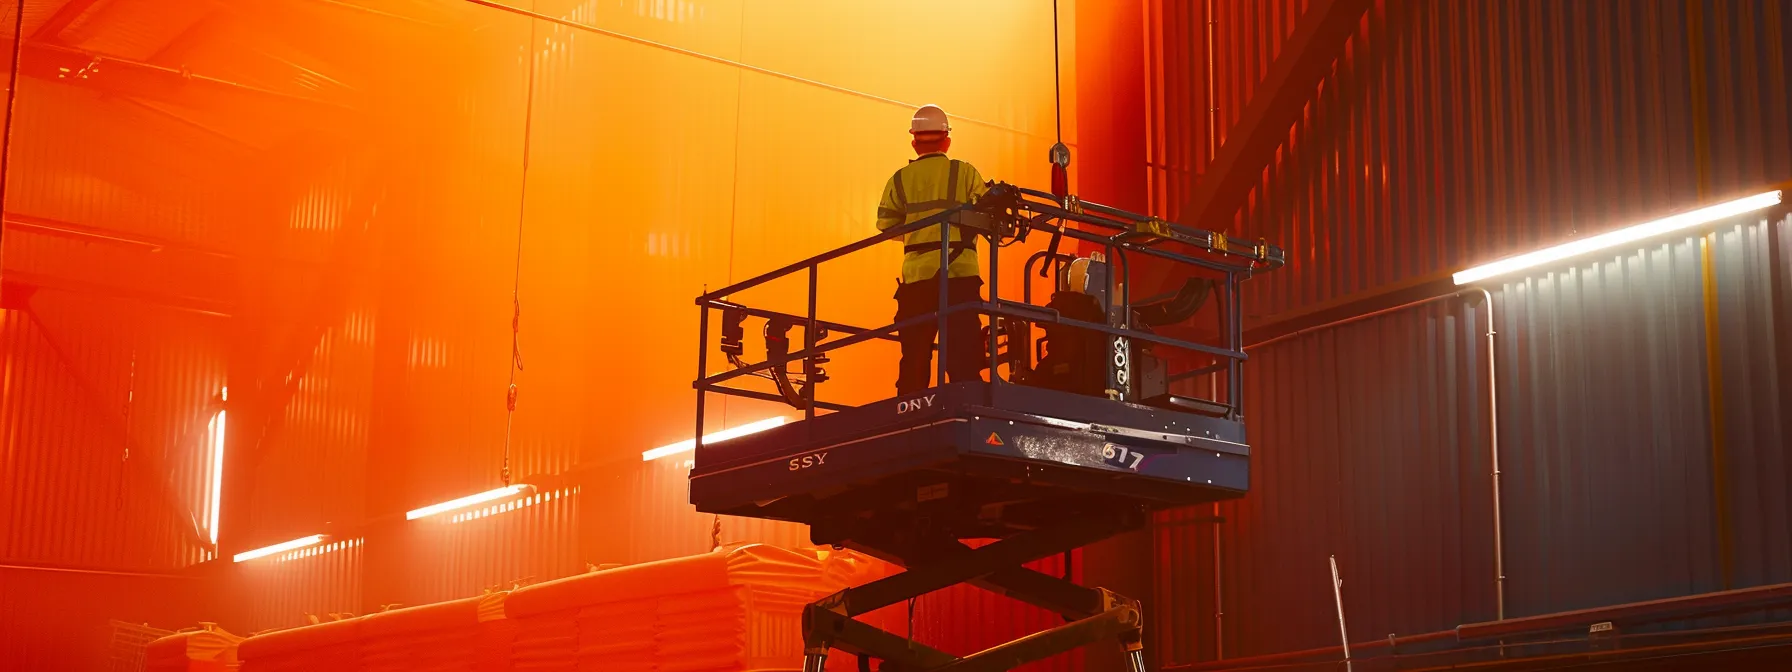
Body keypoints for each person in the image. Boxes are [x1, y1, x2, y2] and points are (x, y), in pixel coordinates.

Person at [876, 104, 990, 396]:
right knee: (963, 350)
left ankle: (910, 408)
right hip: (960, 274)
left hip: (917, 280)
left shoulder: (899, 179)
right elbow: (990, 215)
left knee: (915, 352)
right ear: (947, 140)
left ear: (914, 142)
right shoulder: (965, 173)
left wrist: (919, 234)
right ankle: (966, 399)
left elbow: (887, 225)